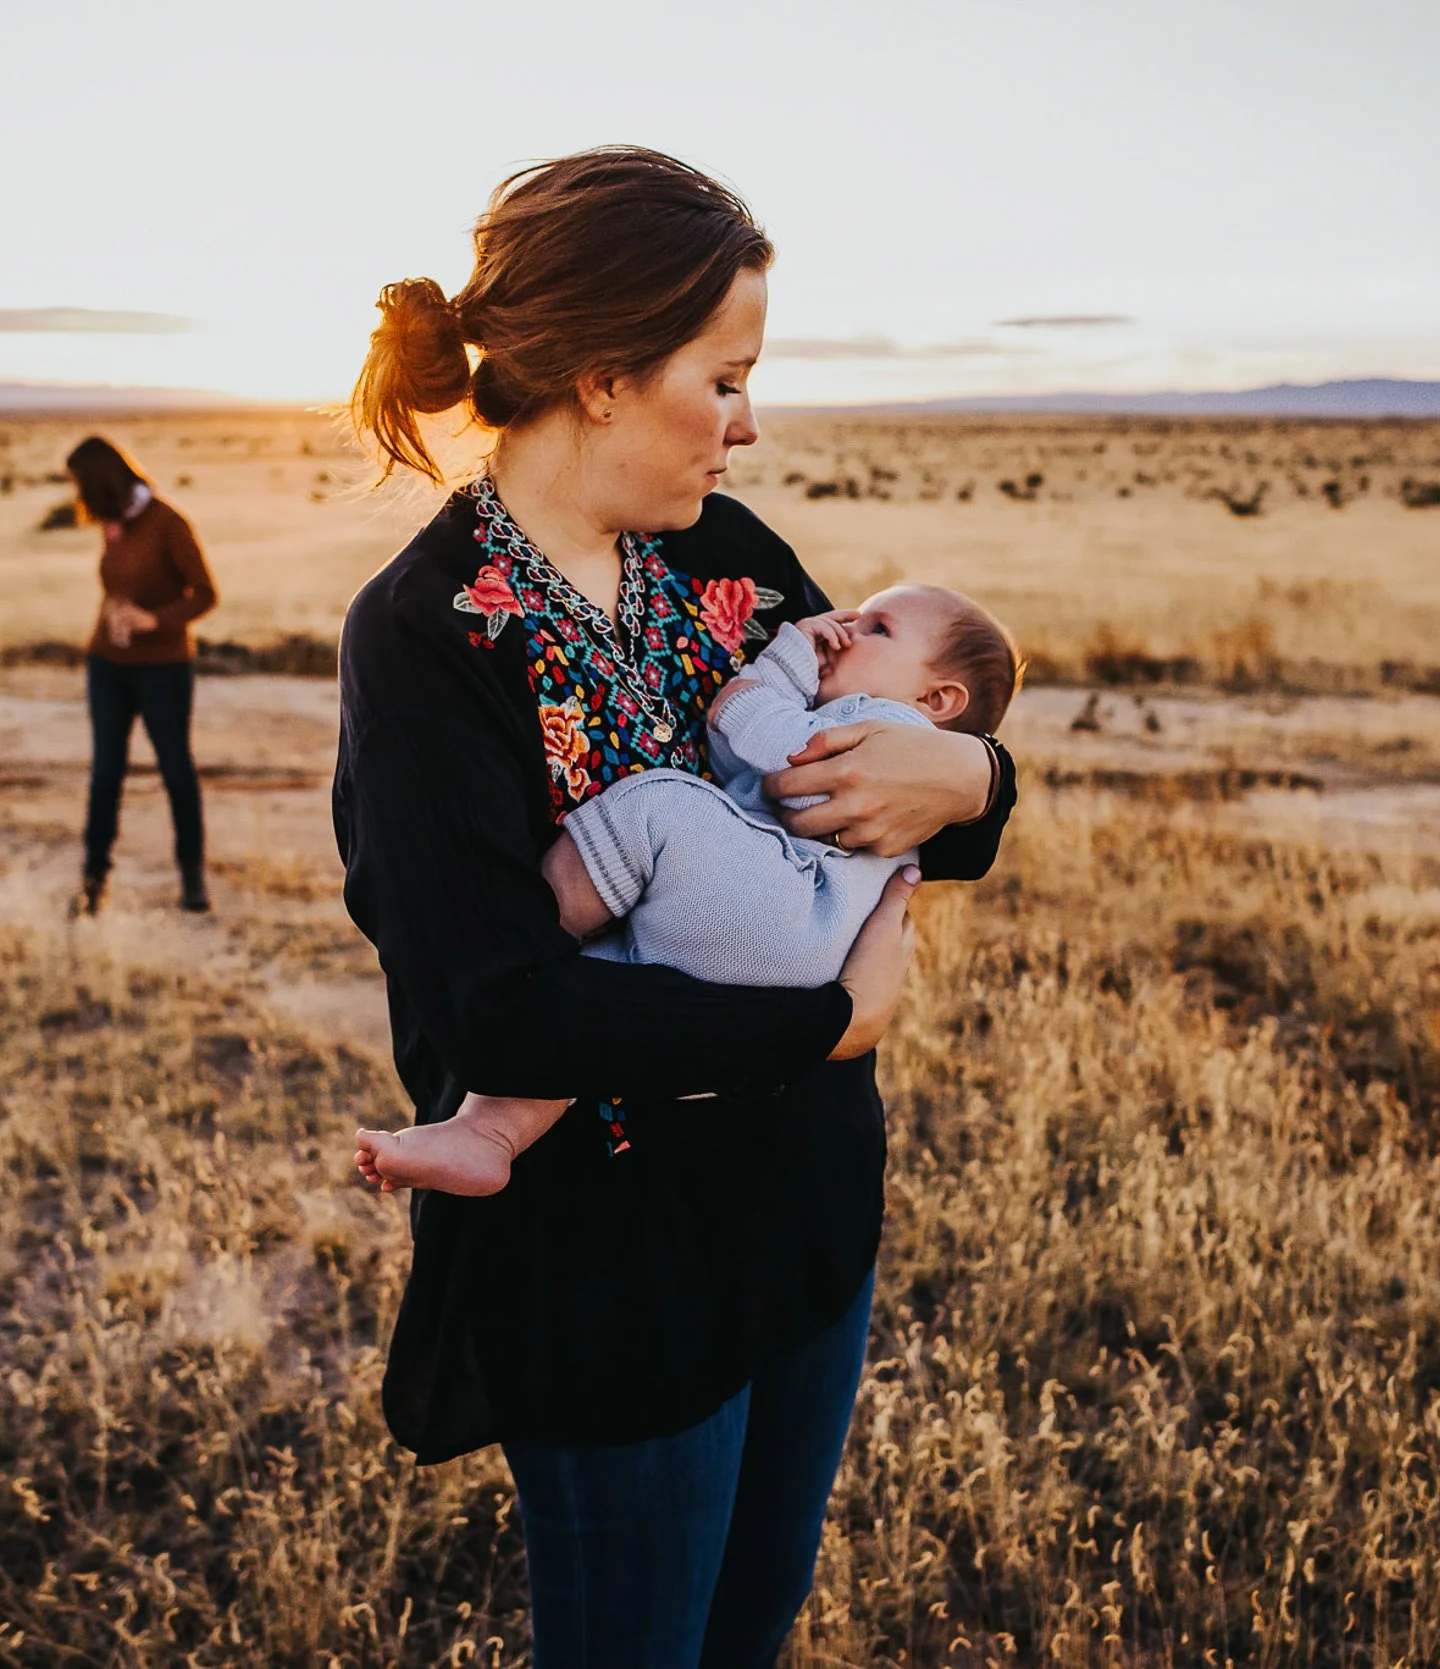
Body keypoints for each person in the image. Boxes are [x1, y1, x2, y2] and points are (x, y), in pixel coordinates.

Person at [334, 147, 1017, 1666]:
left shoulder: (730, 559)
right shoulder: (425, 636)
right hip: (612, 1278)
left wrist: (973, 775)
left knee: (750, 1628)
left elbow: (893, 782)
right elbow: (498, 1007)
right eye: (725, 380)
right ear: (600, 377)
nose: (748, 422)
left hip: (809, 1226)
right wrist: (829, 1023)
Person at [354, 584, 1019, 1197]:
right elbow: (738, 762)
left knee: (657, 810)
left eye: (877, 628)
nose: (846, 629)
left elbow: (757, 735)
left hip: (785, 907)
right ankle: (489, 1135)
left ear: (938, 700)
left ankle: (537, 933)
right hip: (790, 955)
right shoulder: (880, 732)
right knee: (595, 994)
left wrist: (785, 660)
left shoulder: (887, 727)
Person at [67, 434, 219, 916]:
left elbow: (205, 593)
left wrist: (154, 621)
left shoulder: (167, 523)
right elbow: (118, 585)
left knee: (175, 771)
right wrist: (115, 614)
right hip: (107, 665)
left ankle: (192, 880)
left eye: (81, 485)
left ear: (102, 482)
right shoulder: (113, 522)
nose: (78, 496)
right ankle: (93, 883)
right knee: (105, 775)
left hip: (163, 668)